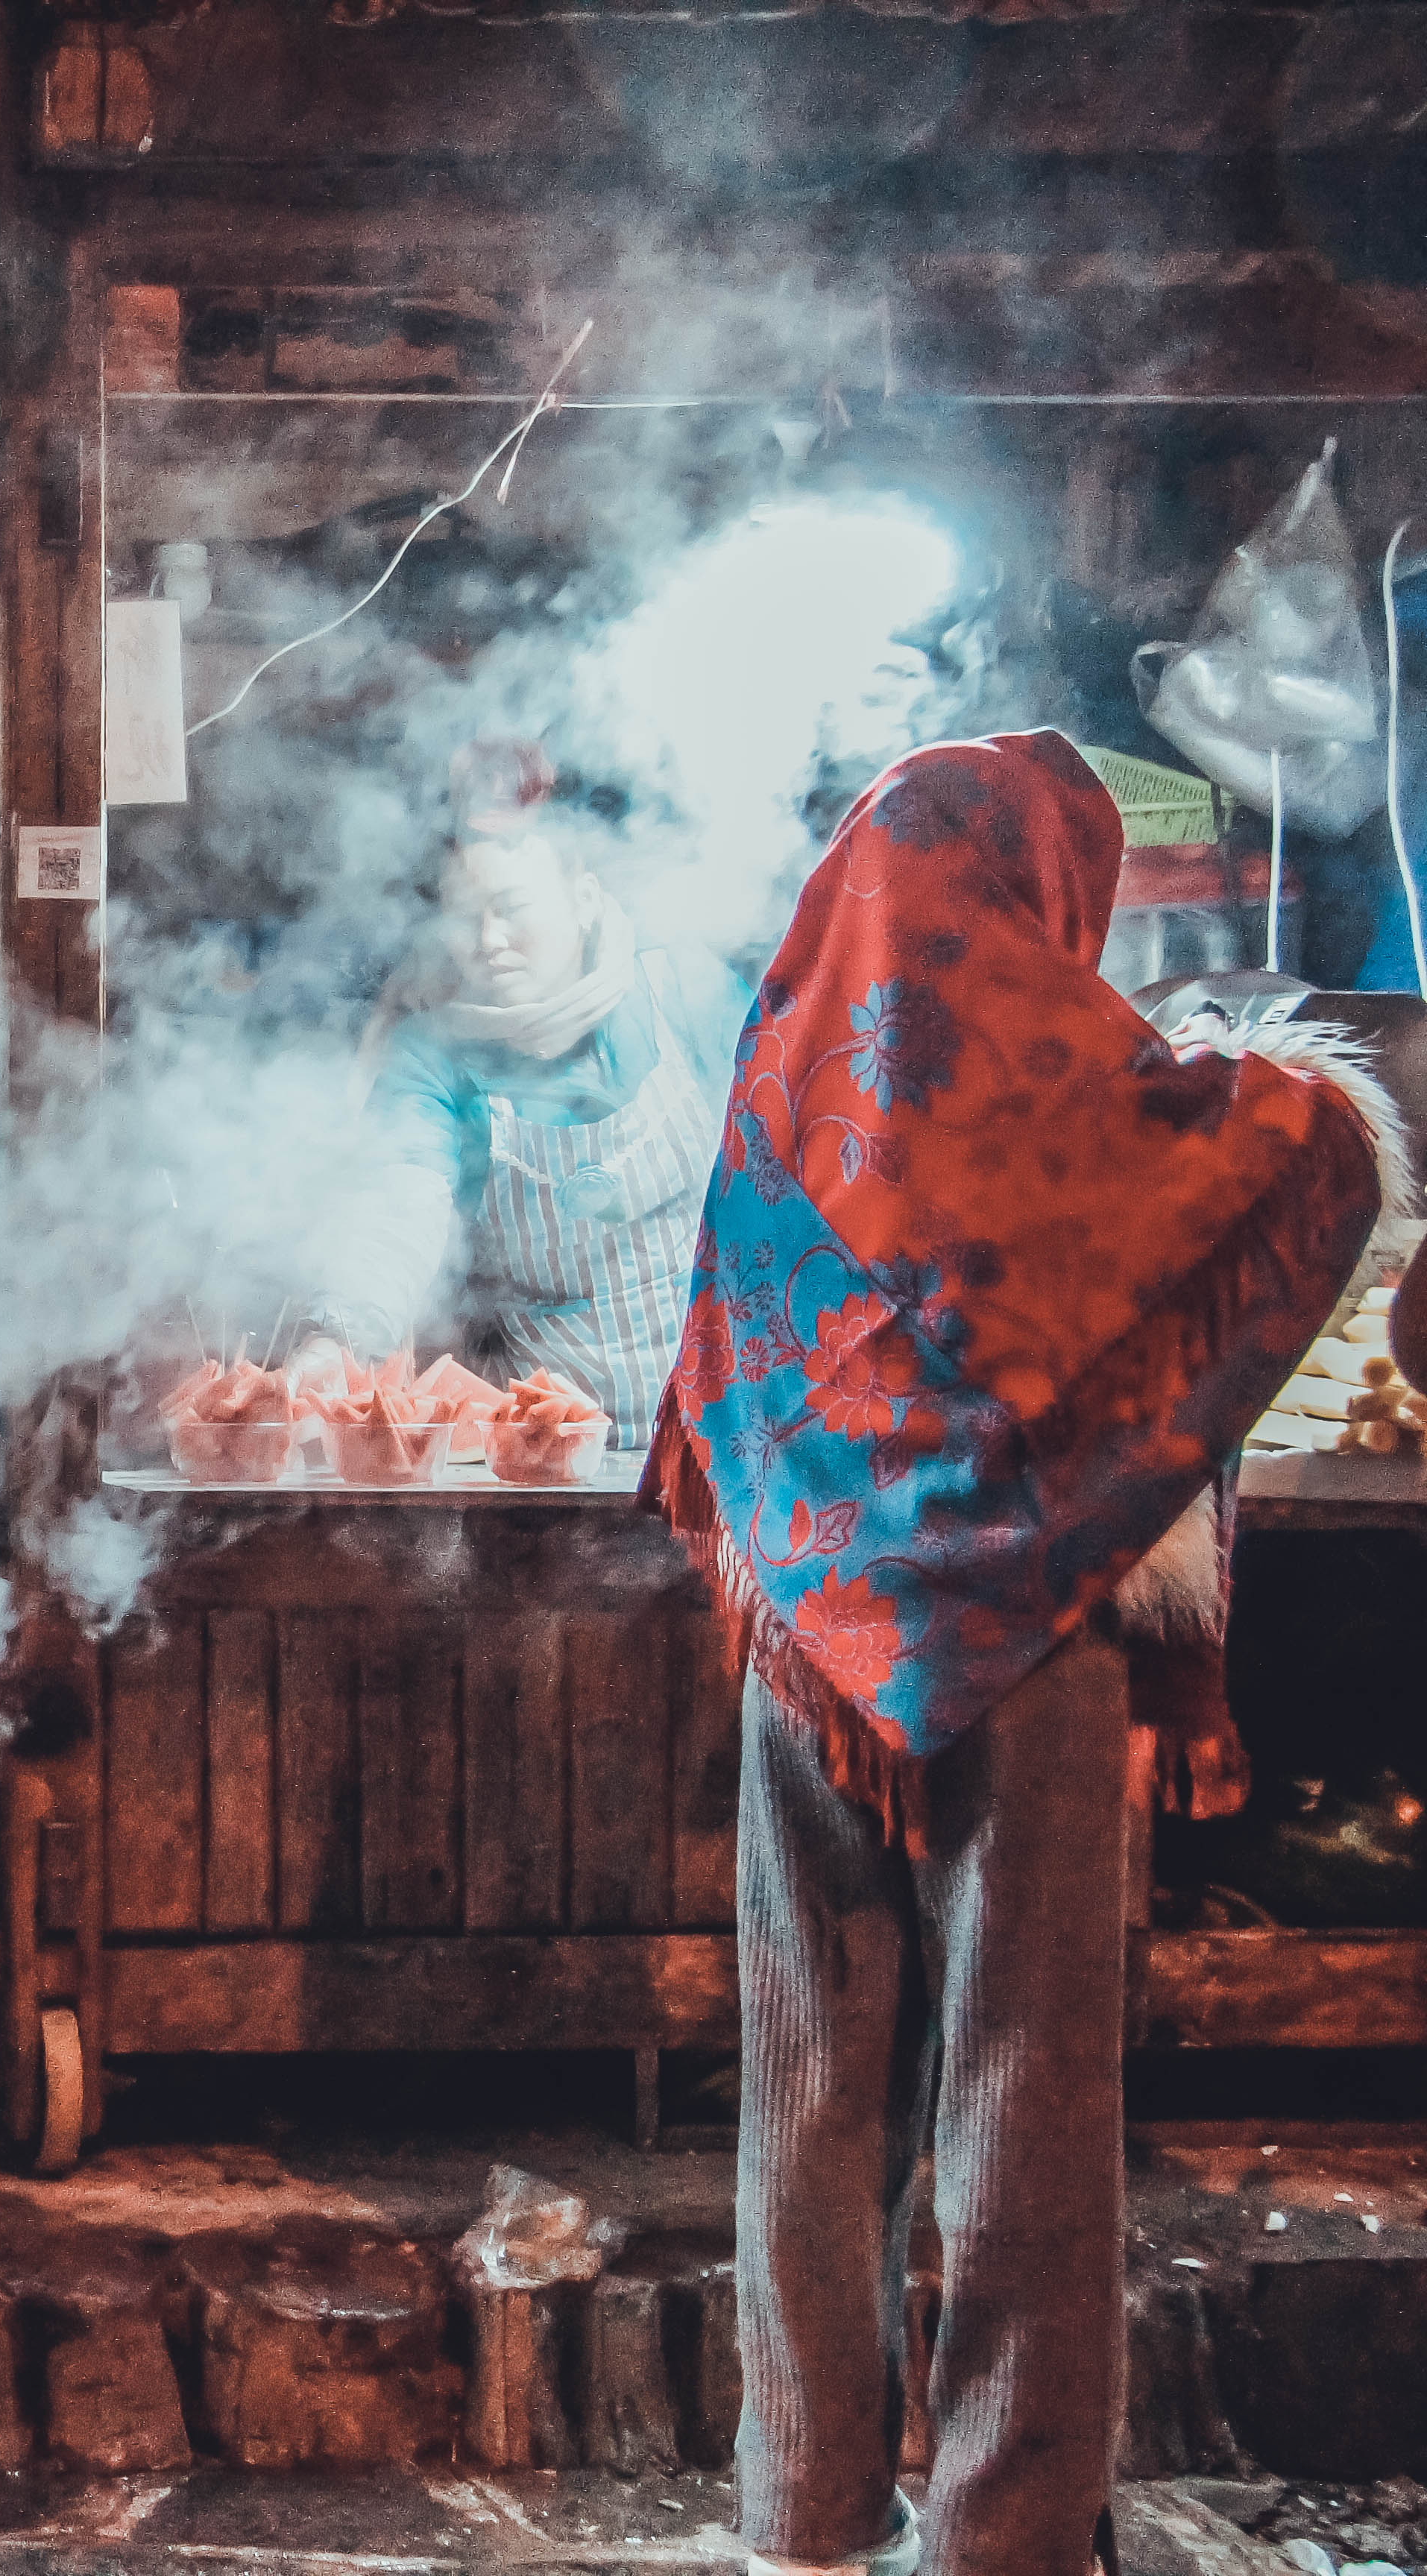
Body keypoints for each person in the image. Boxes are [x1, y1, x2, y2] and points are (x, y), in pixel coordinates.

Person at [646, 735, 1402, 2576]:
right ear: (1039, 882)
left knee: (807, 2086)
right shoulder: (1094, 1095)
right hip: (1031, 1651)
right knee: (1023, 2091)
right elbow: (1304, 1168)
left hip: (802, 1637)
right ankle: (1000, 2529)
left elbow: (722, 1376)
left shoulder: (783, 1067)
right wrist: (1269, 1066)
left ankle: (802, 2517)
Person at [300, 769, 749, 1440]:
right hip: (546, 1454)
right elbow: (396, 1205)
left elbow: (794, 1163)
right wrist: (332, 1346)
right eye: (463, 918)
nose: (485, 940)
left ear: (585, 899)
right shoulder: (436, 1054)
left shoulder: (686, 995)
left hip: (728, 1439)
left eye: (510, 907)